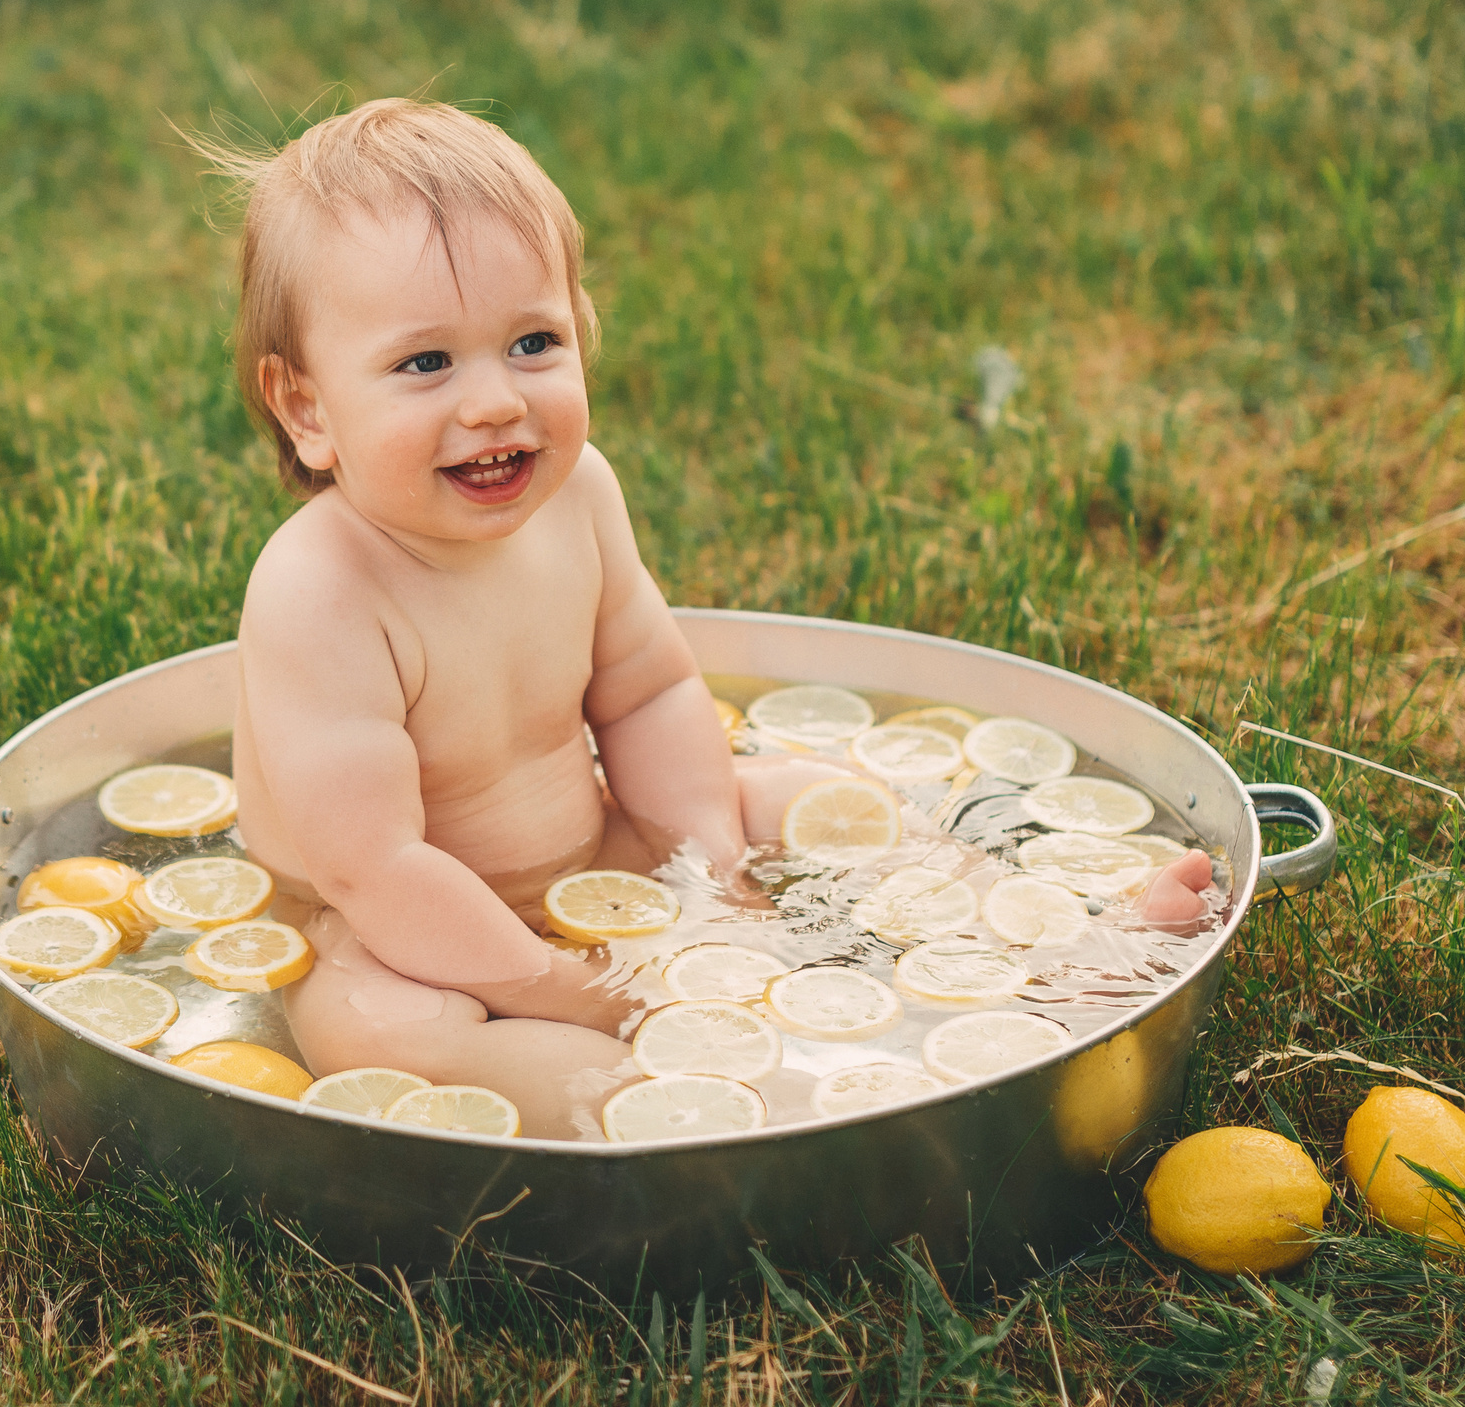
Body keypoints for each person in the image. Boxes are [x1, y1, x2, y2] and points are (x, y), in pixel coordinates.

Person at [202, 98, 1212, 1138]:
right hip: (387, 934)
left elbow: (646, 695)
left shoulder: (578, 495)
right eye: (426, 363)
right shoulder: (320, 590)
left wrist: (713, 876)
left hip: (597, 851)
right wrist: (575, 989)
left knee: (808, 798)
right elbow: (372, 868)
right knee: (381, 1029)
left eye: (533, 341)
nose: (495, 400)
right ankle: (740, 1107)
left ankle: (1058, 955)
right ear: (307, 407)